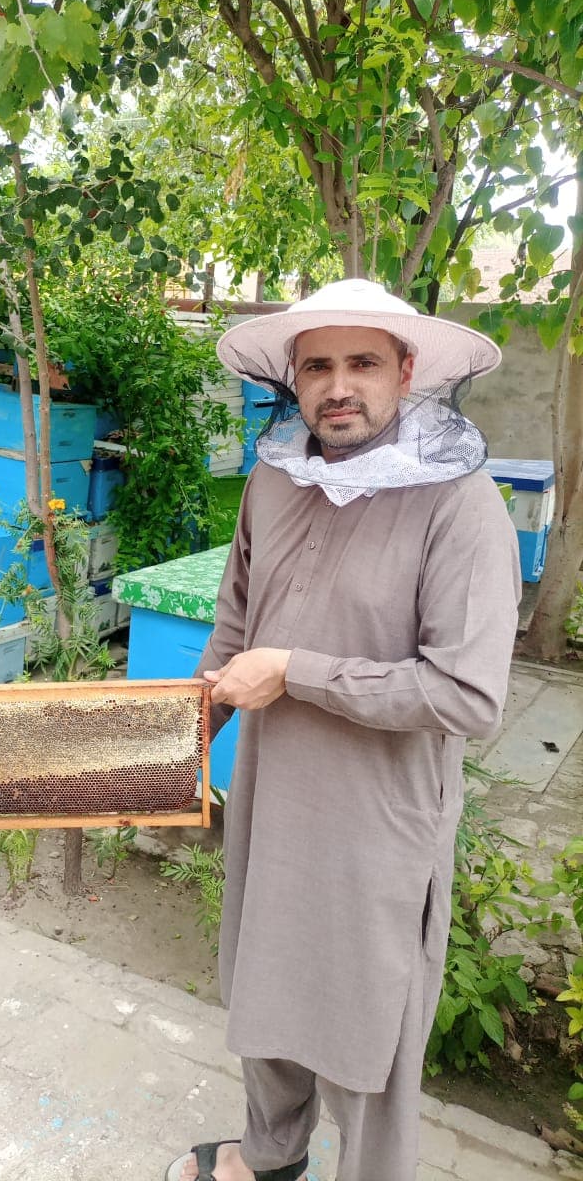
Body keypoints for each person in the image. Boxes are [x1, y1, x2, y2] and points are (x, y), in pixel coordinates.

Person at [165, 279, 521, 1181]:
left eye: (362, 362)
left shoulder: (461, 504)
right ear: (293, 377)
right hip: (273, 793)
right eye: (317, 365)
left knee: (371, 1028)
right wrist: (160, 752)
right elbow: (234, 631)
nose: (338, 386)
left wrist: (298, 672)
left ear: (407, 372)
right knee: (266, 984)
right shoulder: (274, 479)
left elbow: (467, 698)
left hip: (380, 818)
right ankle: (273, 1157)